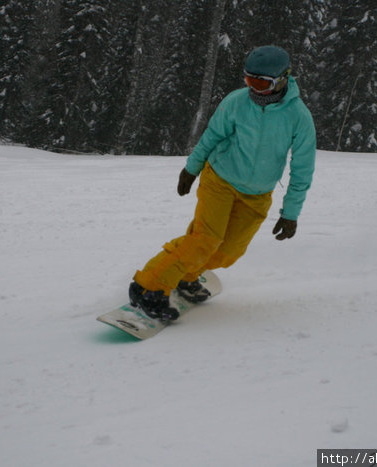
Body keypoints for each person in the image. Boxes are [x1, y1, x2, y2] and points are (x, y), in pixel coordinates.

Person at [129, 45, 317, 321]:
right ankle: (148, 287)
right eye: (249, 80)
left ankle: (187, 276)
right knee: (205, 239)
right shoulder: (237, 102)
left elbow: (303, 168)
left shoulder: (299, 117)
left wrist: (291, 213)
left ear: (282, 79)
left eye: (261, 83)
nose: (254, 89)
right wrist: (191, 168)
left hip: (257, 194)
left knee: (229, 252)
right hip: (219, 179)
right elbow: (212, 136)